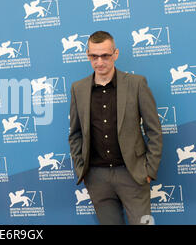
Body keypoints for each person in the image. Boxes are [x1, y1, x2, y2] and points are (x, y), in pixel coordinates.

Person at [68, 31, 163, 225]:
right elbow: (75, 134)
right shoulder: (78, 88)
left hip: (133, 175)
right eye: (94, 56)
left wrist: (148, 170)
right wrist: (82, 170)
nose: (100, 62)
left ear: (115, 54)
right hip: (96, 178)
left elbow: (154, 130)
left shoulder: (137, 84)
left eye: (105, 55)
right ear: (88, 55)